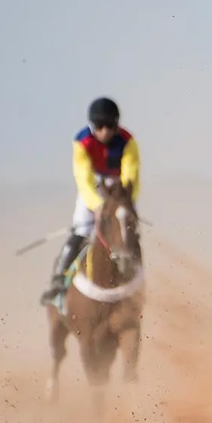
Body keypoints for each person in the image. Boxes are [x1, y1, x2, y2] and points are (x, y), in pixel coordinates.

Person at [40, 97, 140, 304]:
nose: (105, 131)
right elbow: (83, 178)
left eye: (110, 126)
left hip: (119, 189)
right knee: (81, 230)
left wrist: (122, 200)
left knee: (129, 227)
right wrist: (97, 205)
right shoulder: (82, 142)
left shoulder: (128, 142)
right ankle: (59, 279)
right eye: (100, 126)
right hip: (93, 188)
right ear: (92, 126)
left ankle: (138, 277)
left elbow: (131, 174)